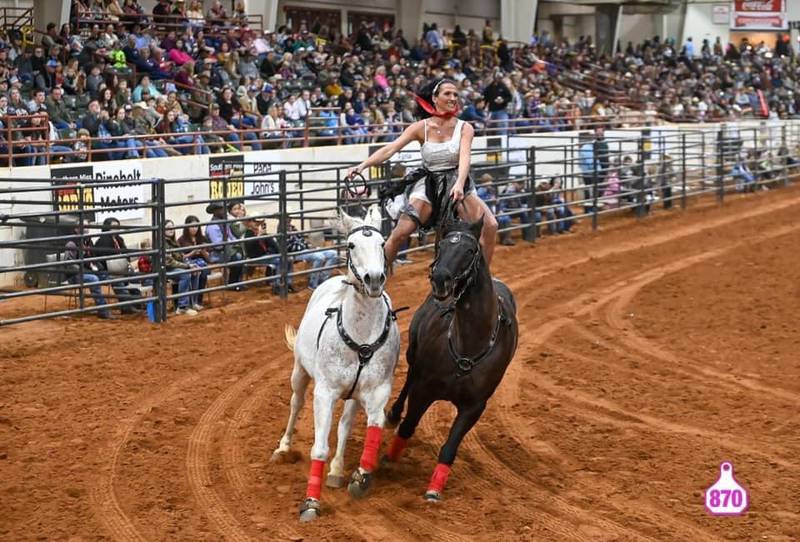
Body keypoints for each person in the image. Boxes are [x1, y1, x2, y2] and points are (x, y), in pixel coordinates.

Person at [345, 78, 499, 268]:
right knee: (400, 233)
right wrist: (362, 166)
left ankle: (485, 276)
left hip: (456, 181)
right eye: (447, 94)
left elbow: (465, 158)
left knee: (490, 225)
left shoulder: (465, 127)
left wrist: (459, 183)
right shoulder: (421, 127)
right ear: (434, 98)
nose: (453, 98)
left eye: (455, 94)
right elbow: (390, 149)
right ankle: (376, 278)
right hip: (428, 183)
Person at [286, 216, 337, 290]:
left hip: (306, 250)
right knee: (320, 257)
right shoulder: (282, 231)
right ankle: (313, 284)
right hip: (296, 253)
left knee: (334, 254)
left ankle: (322, 279)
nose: (289, 219)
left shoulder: (293, 228)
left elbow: (303, 240)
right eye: (287, 218)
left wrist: (310, 247)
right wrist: (304, 247)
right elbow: (288, 247)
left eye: (289, 217)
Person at [164, 219, 201, 315]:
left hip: (175, 267)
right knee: (185, 274)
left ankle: (193, 303)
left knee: (195, 270)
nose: (171, 230)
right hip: (165, 269)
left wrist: (190, 265)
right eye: (168, 228)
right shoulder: (163, 243)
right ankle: (182, 307)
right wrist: (187, 266)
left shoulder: (173, 242)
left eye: (172, 227)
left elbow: (180, 257)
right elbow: (170, 262)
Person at [205, 201, 245, 290]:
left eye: (224, 209)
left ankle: (238, 281)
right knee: (237, 257)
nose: (225, 211)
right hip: (217, 254)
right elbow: (218, 246)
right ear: (215, 211)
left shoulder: (224, 222)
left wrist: (235, 243)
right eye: (221, 209)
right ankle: (233, 283)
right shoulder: (213, 226)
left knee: (241, 253)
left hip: (227, 250)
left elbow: (231, 237)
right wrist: (230, 243)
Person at [178, 215, 210, 308]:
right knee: (195, 272)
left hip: (202, 263)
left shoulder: (202, 238)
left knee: (203, 272)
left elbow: (209, 259)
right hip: (188, 264)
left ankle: (198, 300)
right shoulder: (181, 240)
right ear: (187, 227)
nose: (194, 229)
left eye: (196, 226)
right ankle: (192, 301)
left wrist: (203, 251)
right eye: (192, 226)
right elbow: (181, 257)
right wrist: (192, 252)